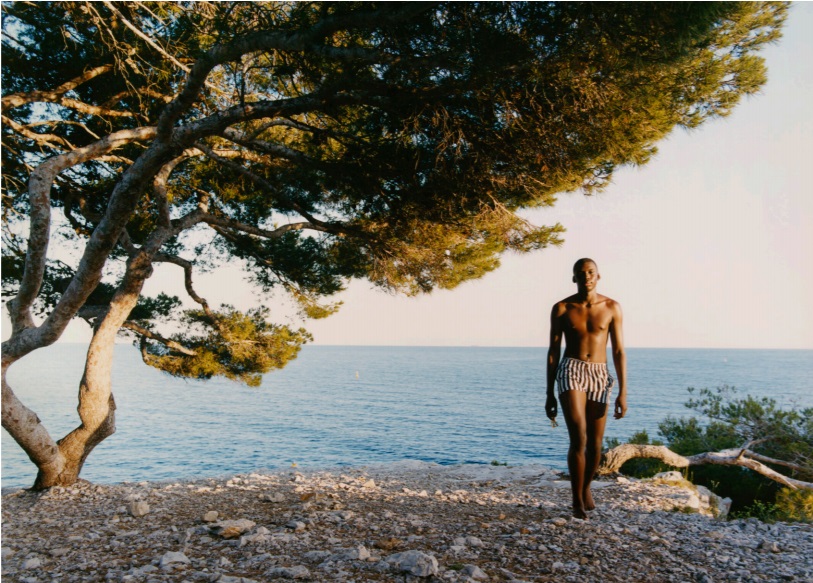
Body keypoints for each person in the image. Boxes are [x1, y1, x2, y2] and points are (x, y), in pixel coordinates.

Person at [546, 258, 627, 519]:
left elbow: (618, 350)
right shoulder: (562, 308)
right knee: (578, 437)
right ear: (574, 278)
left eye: (591, 273)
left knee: (596, 443)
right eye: (581, 274)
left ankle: (587, 487)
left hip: (600, 375)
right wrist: (549, 392)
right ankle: (576, 500)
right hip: (571, 370)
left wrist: (624, 391)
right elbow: (553, 352)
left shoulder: (612, 307)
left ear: (598, 276)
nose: (586, 277)